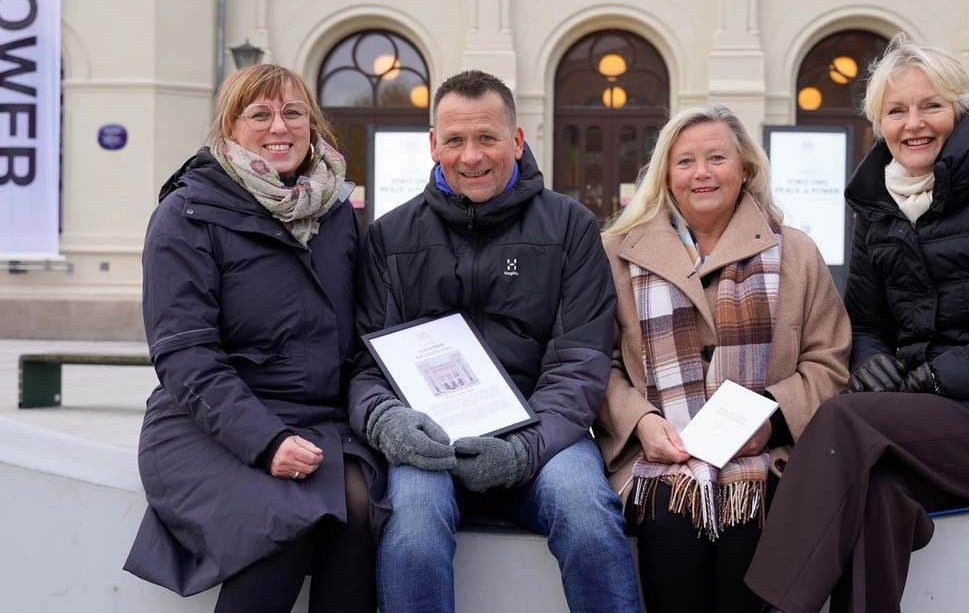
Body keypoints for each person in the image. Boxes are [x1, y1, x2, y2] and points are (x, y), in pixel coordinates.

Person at [743, 35, 969, 613]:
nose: (914, 124)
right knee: (877, 494)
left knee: (844, 419)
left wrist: (929, 378)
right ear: (879, 123)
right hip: (934, 419)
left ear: (958, 109)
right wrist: (871, 365)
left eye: (930, 105)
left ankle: (774, 608)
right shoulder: (878, 206)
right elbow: (870, 323)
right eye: (896, 111)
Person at [347, 69, 642, 613]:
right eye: (455, 140)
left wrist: (521, 451)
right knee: (409, 532)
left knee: (589, 515)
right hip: (430, 441)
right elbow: (365, 364)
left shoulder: (571, 227)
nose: (471, 156)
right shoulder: (390, 235)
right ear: (433, 145)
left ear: (517, 140)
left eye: (487, 138)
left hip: (541, 436)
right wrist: (387, 422)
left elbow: (580, 360)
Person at [124, 64, 385, 613]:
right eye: (260, 114)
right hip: (209, 423)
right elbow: (184, 354)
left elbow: (364, 332)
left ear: (312, 125)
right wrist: (265, 441)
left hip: (318, 417)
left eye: (293, 113)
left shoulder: (335, 212)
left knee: (360, 510)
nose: (279, 128)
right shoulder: (186, 213)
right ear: (229, 130)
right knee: (280, 524)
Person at [594, 105, 851, 613]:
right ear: (667, 174)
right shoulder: (617, 254)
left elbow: (829, 361)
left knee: (748, 532)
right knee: (669, 529)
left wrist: (771, 422)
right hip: (659, 461)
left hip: (765, 463)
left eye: (717, 157)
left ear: (746, 168)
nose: (702, 173)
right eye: (685, 161)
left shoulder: (796, 252)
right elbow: (596, 364)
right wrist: (641, 422)